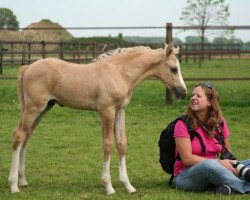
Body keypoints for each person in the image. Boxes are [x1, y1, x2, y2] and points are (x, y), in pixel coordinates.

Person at [173, 82, 250, 195]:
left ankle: (222, 187)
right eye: (192, 95)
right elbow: (187, 159)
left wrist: (232, 165)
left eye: (198, 96)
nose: (193, 98)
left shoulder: (219, 122)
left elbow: (227, 152)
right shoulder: (183, 123)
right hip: (186, 176)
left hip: (216, 168)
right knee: (209, 165)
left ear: (210, 102)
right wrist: (219, 163)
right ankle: (245, 187)